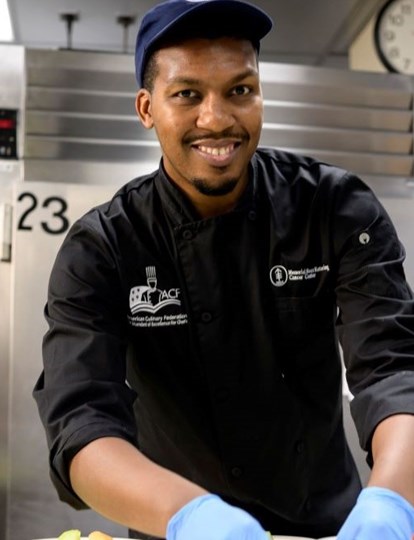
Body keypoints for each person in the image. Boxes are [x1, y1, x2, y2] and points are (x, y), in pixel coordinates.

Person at [33, 1, 414, 539]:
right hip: (174, 525)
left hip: (326, 525)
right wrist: (192, 518)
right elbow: (80, 419)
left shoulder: (335, 208)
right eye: (187, 94)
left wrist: (394, 504)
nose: (216, 119)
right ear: (146, 107)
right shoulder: (103, 247)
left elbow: (393, 369)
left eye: (240, 90)